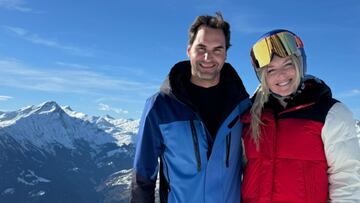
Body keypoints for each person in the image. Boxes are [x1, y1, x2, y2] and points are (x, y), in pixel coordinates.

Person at [130, 12, 250, 203]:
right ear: (188, 50)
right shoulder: (160, 106)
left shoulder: (243, 107)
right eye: (201, 47)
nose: (207, 57)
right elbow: (143, 177)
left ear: (226, 54)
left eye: (217, 50)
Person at [241, 29, 360, 202]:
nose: (280, 75)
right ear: (262, 76)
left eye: (288, 64)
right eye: (271, 70)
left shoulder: (329, 112)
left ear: (300, 64)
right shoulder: (251, 117)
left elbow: (348, 180)